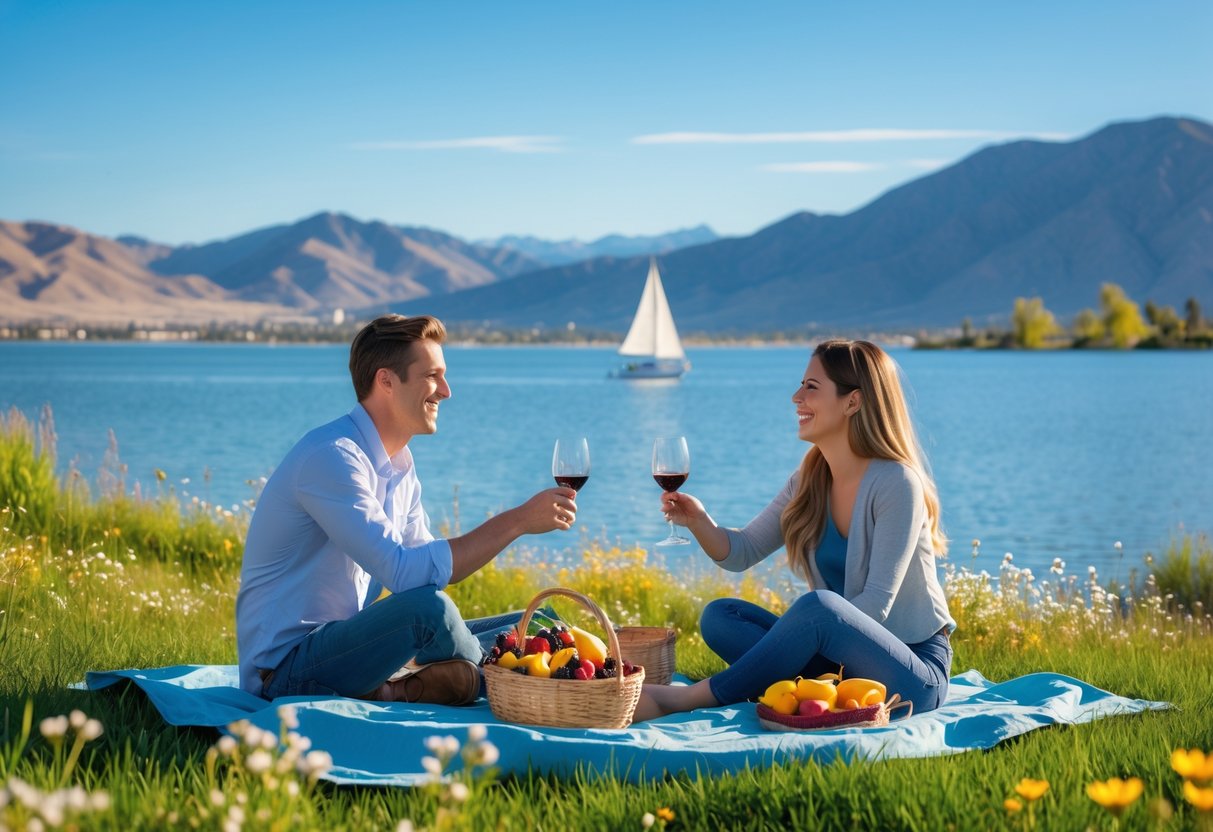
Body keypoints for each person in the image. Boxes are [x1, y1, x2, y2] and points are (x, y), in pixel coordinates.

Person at [236, 314, 578, 705]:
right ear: (386, 381)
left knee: (542, 624)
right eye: (432, 376)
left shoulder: (398, 463)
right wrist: (517, 521)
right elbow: (405, 576)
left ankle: (452, 677)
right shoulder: (331, 458)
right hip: (284, 673)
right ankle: (511, 682)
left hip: (349, 650)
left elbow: (424, 571)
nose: (446, 391)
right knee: (428, 611)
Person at [632, 339, 955, 722]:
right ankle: (815, 687)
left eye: (811, 388)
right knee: (721, 616)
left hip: (912, 672)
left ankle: (688, 699)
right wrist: (699, 521)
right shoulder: (810, 478)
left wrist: (810, 627)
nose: (796, 397)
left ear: (853, 402)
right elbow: (742, 552)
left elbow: (876, 606)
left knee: (819, 608)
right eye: (802, 385)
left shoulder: (897, 482)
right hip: (840, 665)